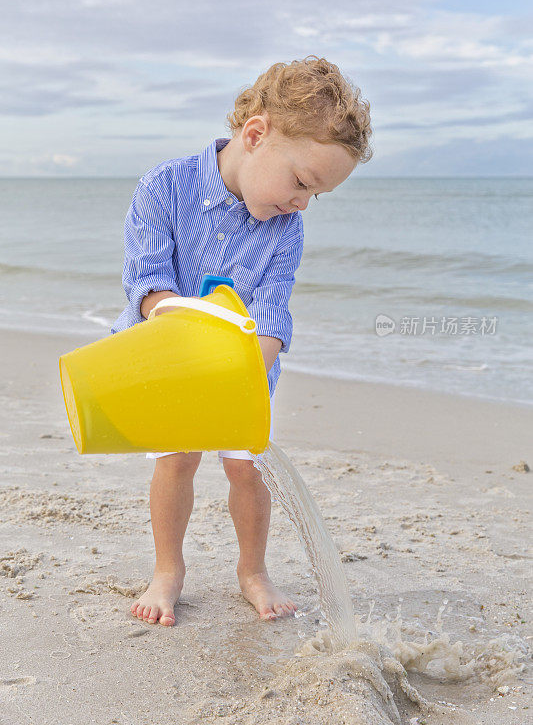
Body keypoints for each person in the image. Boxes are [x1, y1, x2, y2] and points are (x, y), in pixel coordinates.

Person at [110, 55, 372, 627]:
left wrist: (253, 361)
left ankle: (252, 570)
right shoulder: (167, 187)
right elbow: (147, 281)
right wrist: (182, 325)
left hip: (245, 369)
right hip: (171, 360)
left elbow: (275, 307)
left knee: (246, 469)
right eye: (301, 182)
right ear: (255, 136)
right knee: (177, 459)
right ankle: (167, 570)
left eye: (316, 195)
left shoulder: (286, 226)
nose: (303, 202)